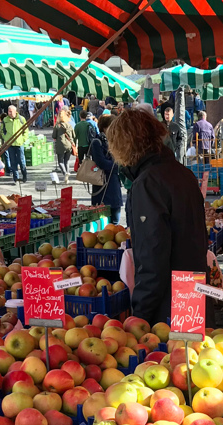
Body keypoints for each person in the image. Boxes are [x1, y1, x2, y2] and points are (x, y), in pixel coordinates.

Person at [106, 108, 207, 325]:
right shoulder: (183, 173)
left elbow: (152, 258)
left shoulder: (148, 184)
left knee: (172, 358)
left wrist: (140, 315)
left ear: (123, 146)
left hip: (166, 307)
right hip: (191, 293)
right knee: (192, 355)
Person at [87, 114, 122, 224]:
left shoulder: (115, 141)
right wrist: (117, 164)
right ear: (105, 127)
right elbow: (101, 162)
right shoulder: (97, 142)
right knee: (102, 221)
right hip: (101, 184)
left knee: (115, 220)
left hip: (114, 183)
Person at [1, 105, 28, 184]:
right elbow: (2, 131)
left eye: (11, 111)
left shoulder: (21, 119)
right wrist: (5, 138)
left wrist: (23, 139)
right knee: (13, 162)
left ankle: (24, 176)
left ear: (15, 111)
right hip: (10, 144)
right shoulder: (5, 120)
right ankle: (16, 179)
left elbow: (26, 130)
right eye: (9, 111)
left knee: (21, 161)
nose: (10, 113)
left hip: (19, 143)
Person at [52, 108, 75, 176]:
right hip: (69, 145)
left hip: (60, 145)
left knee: (60, 162)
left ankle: (65, 174)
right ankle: (67, 172)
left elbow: (54, 136)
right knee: (66, 161)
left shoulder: (57, 126)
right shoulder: (69, 125)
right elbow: (74, 135)